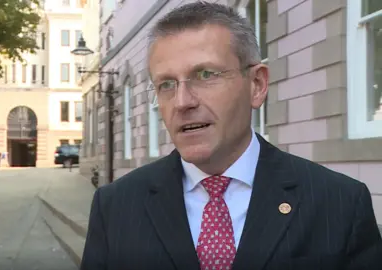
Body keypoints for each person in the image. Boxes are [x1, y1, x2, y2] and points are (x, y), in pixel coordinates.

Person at [80, 2, 382, 270]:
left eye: (205, 75)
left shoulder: (339, 202)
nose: (183, 101)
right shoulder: (115, 206)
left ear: (257, 85)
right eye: (167, 84)